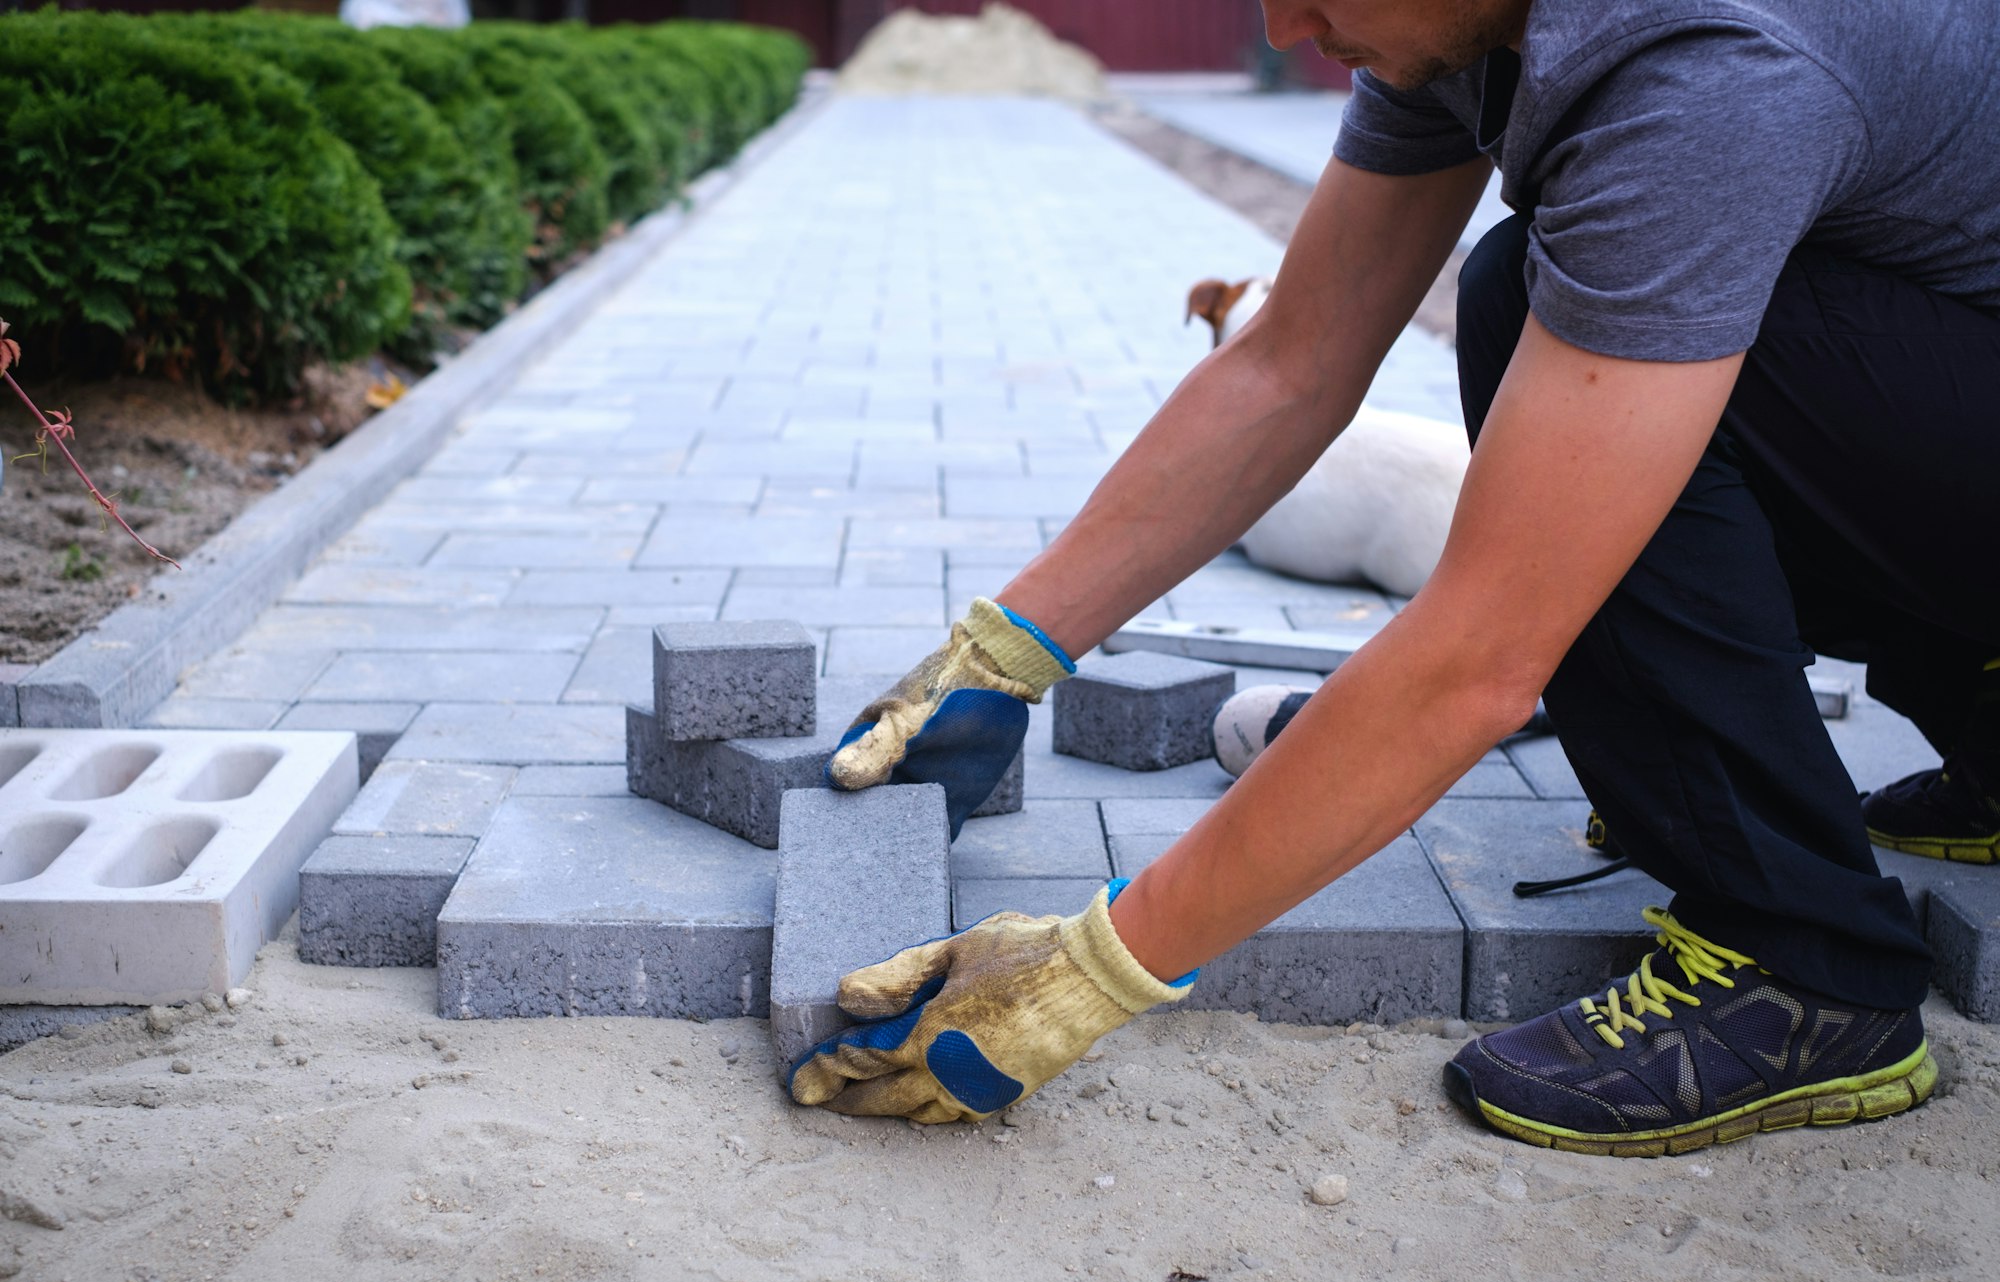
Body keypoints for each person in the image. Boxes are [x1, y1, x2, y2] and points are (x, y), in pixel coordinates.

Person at [786, 0, 2000, 1154]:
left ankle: (1806, 970)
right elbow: (1292, 354)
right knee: (1546, 294)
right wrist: (1008, 649)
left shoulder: (1701, 72)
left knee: (1544, 299)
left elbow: (1482, 650)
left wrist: (1094, 967)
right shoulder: (1466, 30)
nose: (1281, 30)